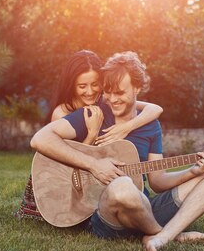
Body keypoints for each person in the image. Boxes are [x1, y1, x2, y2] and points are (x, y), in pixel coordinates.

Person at [30, 52, 204, 251]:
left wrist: (193, 172)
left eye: (120, 92)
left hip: (144, 206)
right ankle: (169, 234)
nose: (112, 99)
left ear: (137, 88)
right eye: (108, 92)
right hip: (108, 215)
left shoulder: (151, 126)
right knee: (122, 188)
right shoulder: (93, 114)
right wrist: (95, 164)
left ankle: (159, 237)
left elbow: (157, 181)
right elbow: (40, 139)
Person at [14, 50, 163, 220]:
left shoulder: (106, 101)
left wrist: (127, 127)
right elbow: (69, 163)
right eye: (82, 86)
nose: (90, 92)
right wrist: (91, 134)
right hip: (64, 180)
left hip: (91, 177)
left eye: (95, 84)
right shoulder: (63, 113)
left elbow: (154, 109)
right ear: (73, 86)